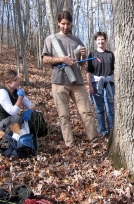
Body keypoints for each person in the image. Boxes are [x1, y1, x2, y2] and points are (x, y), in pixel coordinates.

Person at [42, 11, 99, 147]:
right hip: (59, 81)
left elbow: (82, 64)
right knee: (64, 115)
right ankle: (70, 143)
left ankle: (95, 139)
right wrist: (62, 59)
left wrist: (83, 57)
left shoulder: (77, 41)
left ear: (71, 23)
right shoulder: (51, 39)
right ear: (58, 23)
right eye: (63, 24)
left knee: (87, 111)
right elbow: (44, 59)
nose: (65, 26)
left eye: (68, 24)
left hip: (77, 82)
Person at [0, 70, 36, 138]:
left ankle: (28, 139)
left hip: (6, 123)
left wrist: (30, 110)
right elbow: (13, 112)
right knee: (16, 119)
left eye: (18, 79)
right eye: (15, 80)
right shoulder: (2, 92)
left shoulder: (17, 91)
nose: (18, 81)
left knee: (34, 114)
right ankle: (9, 141)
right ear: (7, 83)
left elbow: (31, 105)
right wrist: (20, 97)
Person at [87, 32, 115, 137]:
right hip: (96, 85)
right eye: (98, 39)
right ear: (95, 41)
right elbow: (89, 72)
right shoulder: (92, 55)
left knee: (110, 109)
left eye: (102, 39)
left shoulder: (110, 54)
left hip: (109, 85)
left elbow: (113, 70)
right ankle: (102, 131)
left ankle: (112, 131)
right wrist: (90, 86)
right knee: (99, 109)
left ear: (105, 40)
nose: (100, 41)